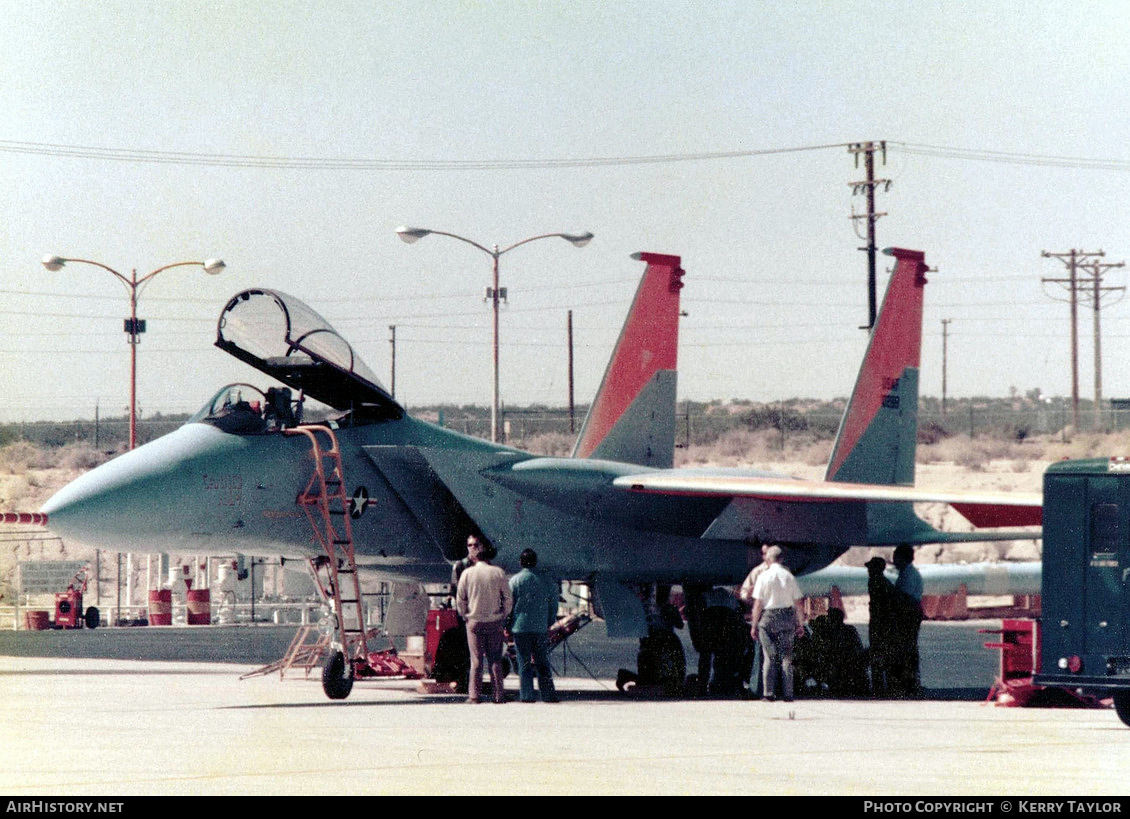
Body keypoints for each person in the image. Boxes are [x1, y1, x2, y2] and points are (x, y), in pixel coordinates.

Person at [455, 536, 513, 704]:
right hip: (494, 621)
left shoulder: (467, 573)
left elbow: (460, 599)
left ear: (475, 558)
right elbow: (508, 598)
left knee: (476, 660)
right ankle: (498, 695)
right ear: (489, 557)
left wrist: (464, 614)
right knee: (495, 659)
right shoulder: (498, 573)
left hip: (474, 622)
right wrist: (503, 614)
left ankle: (474, 696)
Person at [749, 546, 806, 702]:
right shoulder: (789, 577)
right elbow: (799, 602)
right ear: (782, 559)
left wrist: (754, 625)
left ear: (768, 559)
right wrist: (800, 623)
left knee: (769, 657)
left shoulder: (763, 576)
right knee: (787, 657)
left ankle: (768, 693)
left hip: (769, 618)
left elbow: (758, 604)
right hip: (787, 618)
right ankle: (788, 694)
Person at [507, 548, 560, 703]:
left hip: (520, 628)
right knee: (543, 662)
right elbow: (553, 605)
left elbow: (510, 605)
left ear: (521, 562)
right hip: (540, 628)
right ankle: (548, 695)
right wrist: (549, 622)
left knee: (523, 663)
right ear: (536, 561)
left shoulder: (515, 581)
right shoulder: (547, 581)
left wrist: (507, 625)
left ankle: (527, 696)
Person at [891, 544, 924, 697]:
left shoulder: (908, 575)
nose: (894, 561)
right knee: (908, 648)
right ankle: (910, 682)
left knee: (906, 648)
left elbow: (904, 597)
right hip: (910, 613)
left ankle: (909, 683)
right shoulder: (908, 573)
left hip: (908, 614)